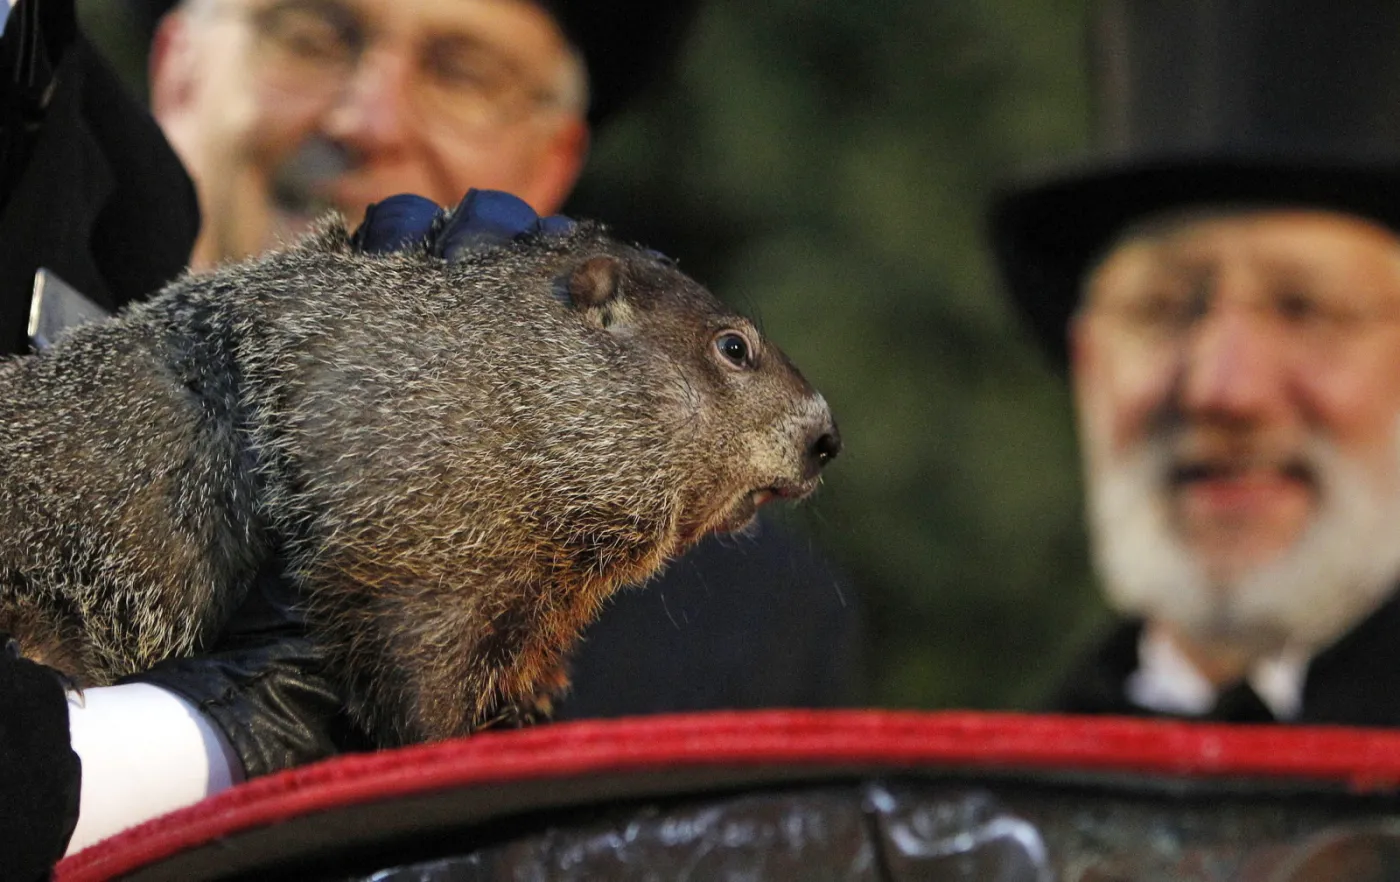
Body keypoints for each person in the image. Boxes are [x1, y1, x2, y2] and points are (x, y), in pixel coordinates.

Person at [0, 0, 863, 871]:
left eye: (463, 74)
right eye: (311, 36)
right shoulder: (35, 224)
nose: (368, 120)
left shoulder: (751, 630)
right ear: (179, 64)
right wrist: (205, 742)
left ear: (554, 162)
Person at [988, 0, 1400, 725]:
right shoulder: (993, 780)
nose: (1224, 390)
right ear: (1088, 366)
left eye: (1306, 308)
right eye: (1162, 309)